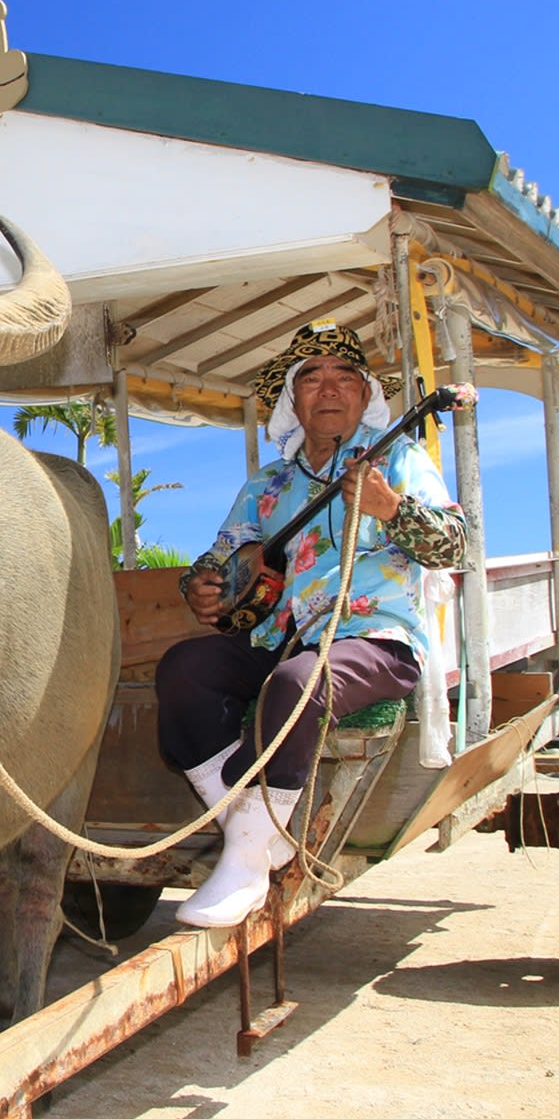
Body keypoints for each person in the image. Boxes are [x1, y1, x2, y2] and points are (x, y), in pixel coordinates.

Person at [157, 321, 466, 927]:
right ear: (292, 400)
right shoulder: (267, 483)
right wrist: (200, 586)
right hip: (279, 635)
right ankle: (252, 832)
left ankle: (243, 863)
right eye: (312, 378)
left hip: (374, 639)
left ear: (364, 393)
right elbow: (220, 557)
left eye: (343, 375)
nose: (328, 388)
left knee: (298, 683)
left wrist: (390, 508)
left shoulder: (398, 457)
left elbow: (455, 544)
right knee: (184, 669)